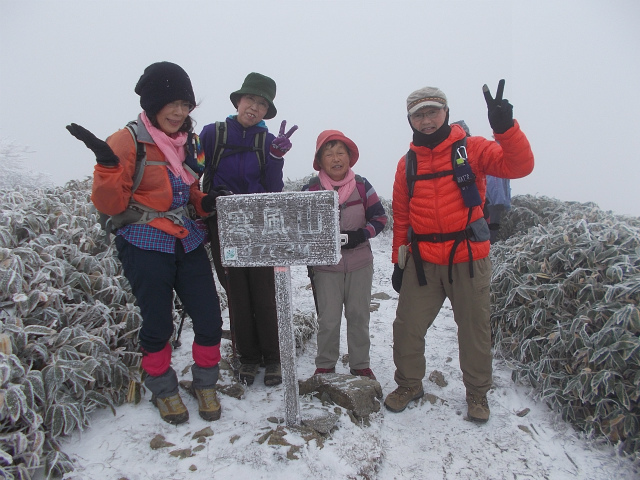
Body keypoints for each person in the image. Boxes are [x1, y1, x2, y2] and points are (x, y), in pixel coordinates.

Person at [66, 62, 225, 425]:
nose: (180, 112)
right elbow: (110, 206)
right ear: (153, 103)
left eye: (186, 104)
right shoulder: (127, 141)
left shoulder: (189, 141)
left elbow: (190, 191)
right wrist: (107, 167)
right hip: (142, 240)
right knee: (157, 323)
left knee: (210, 318)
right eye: (172, 103)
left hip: (187, 240)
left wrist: (206, 202)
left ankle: (205, 383)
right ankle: (163, 388)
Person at [385, 80, 534, 422]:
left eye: (432, 112)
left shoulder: (474, 148)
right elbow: (403, 218)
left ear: (446, 112)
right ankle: (409, 385)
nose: (426, 121)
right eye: (418, 115)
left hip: (469, 259)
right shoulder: (406, 164)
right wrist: (398, 261)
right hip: (423, 263)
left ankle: (477, 395)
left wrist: (505, 129)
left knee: (474, 331)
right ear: (410, 120)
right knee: (406, 327)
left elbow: (519, 167)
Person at [200, 72, 298, 387]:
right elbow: (193, 169)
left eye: (261, 103)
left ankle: (273, 359)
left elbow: (272, 190)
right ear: (238, 101)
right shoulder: (211, 134)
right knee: (236, 292)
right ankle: (248, 357)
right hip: (222, 223)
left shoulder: (267, 141)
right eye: (249, 100)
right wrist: (203, 200)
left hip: (259, 225)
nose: (253, 107)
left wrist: (276, 158)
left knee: (264, 292)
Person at [303, 130, 387, 380]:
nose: (336, 158)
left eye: (341, 153)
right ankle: (326, 364)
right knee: (328, 319)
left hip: (360, 263)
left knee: (358, 316)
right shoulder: (312, 189)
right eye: (329, 154)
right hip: (326, 267)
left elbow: (380, 218)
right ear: (320, 160)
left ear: (350, 158)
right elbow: (302, 226)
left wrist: (362, 234)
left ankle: (360, 364)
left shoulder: (362, 186)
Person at [452, 120, 512, 243]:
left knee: (490, 232)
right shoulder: (458, 154)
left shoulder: (480, 151)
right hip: (487, 202)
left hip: (489, 202)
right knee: (488, 232)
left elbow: (499, 180)